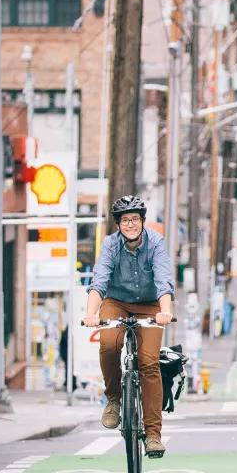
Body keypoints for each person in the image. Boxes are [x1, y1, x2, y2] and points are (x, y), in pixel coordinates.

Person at [82, 196, 175, 458]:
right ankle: (113, 399)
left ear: (143, 222)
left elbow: (163, 280)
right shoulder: (111, 245)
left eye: (135, 219)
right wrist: (90, 314)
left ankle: (154, 434)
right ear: (118, 224)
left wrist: (165, 311)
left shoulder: (156, 243)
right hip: (117, 301)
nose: (130, 224)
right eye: (125, 220)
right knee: (109, 343)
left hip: (150, 305)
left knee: (148, 362)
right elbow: (99, 281)